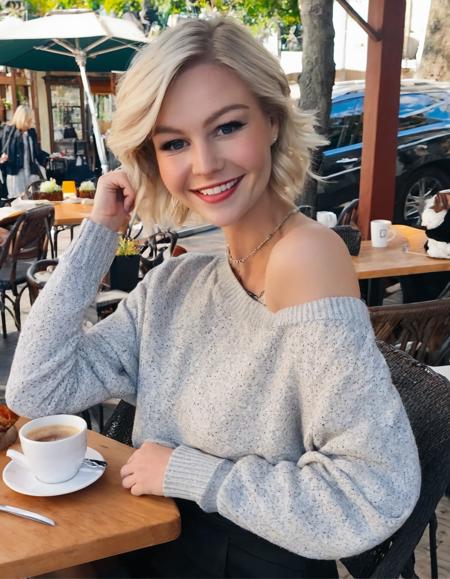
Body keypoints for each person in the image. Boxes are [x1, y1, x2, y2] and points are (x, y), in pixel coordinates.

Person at [6, 17, 421, 578]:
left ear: (272, 120)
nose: (203, 164)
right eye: (174, 142)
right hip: (151, 542)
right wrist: (103, 230)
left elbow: (372, 488)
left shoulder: (306, 256)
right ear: (151, 160)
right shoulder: (175, 287)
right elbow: (37, 388)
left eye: (226, 127)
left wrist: (191, 473)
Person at [0, 104, 48, 200]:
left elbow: (37, 152)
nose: (31, 122)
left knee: (34, 200)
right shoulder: (8, 131)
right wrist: (2, 158)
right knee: (17, 201)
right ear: (22, 119)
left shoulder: (31, 132)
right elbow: (2, 149)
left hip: (31, 173)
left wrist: (50, 157)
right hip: (15, 174)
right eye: (29, 119)